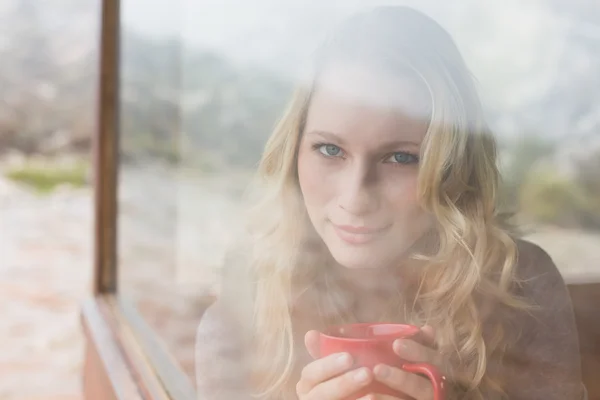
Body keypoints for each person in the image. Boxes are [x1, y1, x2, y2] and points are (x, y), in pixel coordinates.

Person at [195, 6, 585, 400]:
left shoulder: (520, 287)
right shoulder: (246, 305)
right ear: (293, 152)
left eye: (400, 157)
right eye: (330, 149)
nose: (356, 197)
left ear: (450, 168)